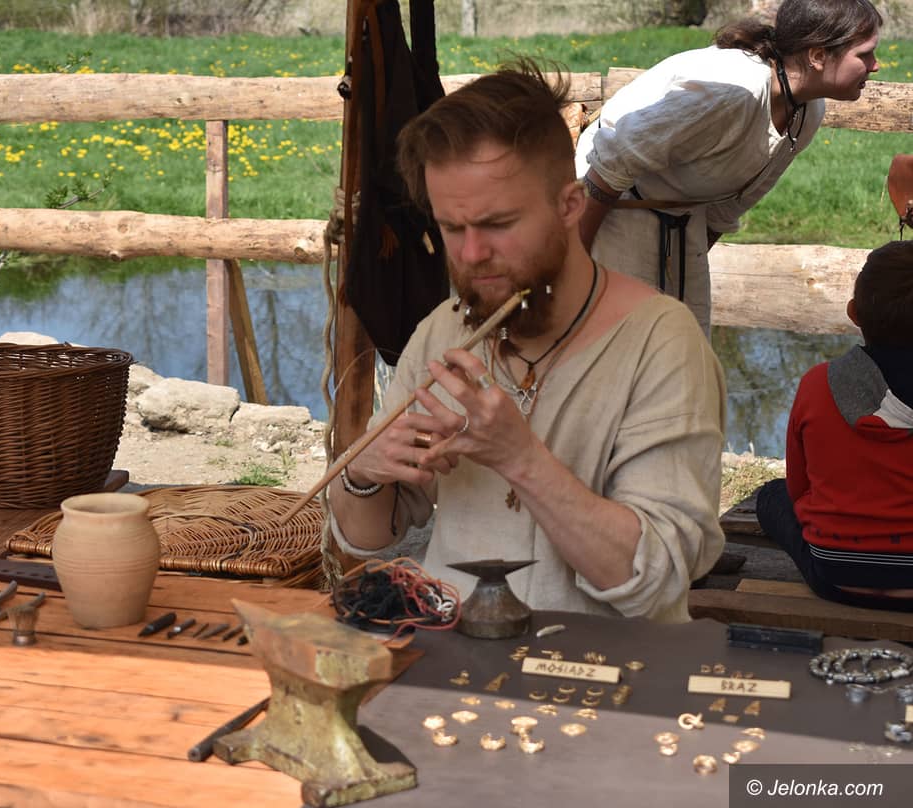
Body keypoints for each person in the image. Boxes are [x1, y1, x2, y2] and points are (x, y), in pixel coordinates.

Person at [327, 60, 727, 623]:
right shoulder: (444, 331)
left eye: (497, 224)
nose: (471, 254)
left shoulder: (661, 342)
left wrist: (521, 458)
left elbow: (654, 580)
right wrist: (363, 473)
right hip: (453, 655)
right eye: (452, 227)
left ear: (570, 206)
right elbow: (367, 538)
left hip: (607, 665)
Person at [575, 0, 882, 331]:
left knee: (687, 339)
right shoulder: (735, 90)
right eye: (864, 54)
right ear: (818, 56)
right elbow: (613, 159)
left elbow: (730, 206)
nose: (875, 65)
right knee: (624, 340)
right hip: (611, 201)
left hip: (682, 215)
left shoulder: (807, 111)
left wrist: (687, 259)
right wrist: (574, 265)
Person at [756, 241, 913, 610]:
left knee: (772, 496)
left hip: (837, 574)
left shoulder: (817, 384)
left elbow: (798, 489)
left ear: (854, 312)